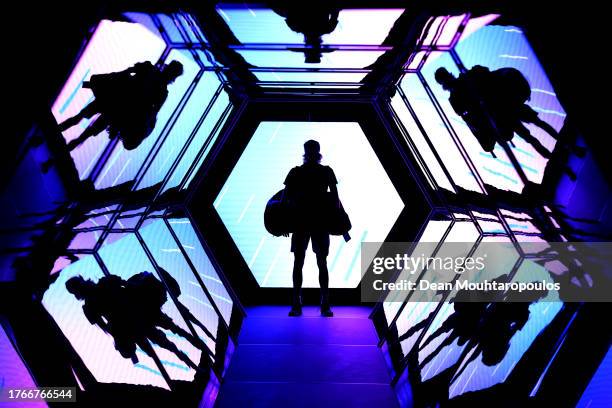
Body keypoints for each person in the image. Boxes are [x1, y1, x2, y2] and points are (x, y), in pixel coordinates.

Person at [435, 66, 585, 161]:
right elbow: (472, 119)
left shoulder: (462, 86)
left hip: (503, 110)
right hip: (502, 112)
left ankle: (567, 150)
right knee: (534, 131)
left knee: (534, 132)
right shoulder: (462, 85)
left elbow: (472, 119)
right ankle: (567, 150)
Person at [58, 60, 184, 151]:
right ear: (174, 77)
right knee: (87, 131)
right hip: (118, 112)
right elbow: (149, 114)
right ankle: (62, 149)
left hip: (113, 100)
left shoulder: (149, 70)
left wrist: (107, 81)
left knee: (81, 119)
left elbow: (126, 73)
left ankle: (58, 134)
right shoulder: (161, 92)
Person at [283, 140, 338, 317]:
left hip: (304, 221)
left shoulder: (297, 172)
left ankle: (299, 303)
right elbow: (335, 200)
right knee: (319, 262)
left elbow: (286, 199)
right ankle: (323, 303)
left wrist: (285, 222)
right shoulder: (324, 172)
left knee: (301, 262)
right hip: (316, 222)